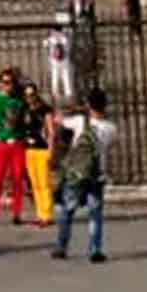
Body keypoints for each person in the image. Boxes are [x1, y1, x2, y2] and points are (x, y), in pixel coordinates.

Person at [52, 87, 118, 263]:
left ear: (89, 104)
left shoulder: (80, 122)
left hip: (77, 173)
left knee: (67, 210)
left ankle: (62, 246)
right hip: (98, 174)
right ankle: (95, 248)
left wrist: (75, 109)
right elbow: (109, 147)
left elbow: (58, 119)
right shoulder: (111, 128)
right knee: (95, 213)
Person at [0, 69, 31, 226]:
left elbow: (26, 121)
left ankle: (16, 213)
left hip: (17, 143)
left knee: (18, 178)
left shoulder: (19, 100)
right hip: (1, 143)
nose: (8, 86)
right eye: (5, 82)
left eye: (10, 82)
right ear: (0, 83)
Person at [23, 87, 56, 227]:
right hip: (29, 149)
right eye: (27, 95)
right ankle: (40, 213)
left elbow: (51, 131)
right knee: (35, 183)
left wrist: (51, 149)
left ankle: (47, 215)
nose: (30, 97)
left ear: (36, 94)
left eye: (32, 94)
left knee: (44, 183)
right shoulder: (25, 110)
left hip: (42, 149)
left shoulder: (45, 110)